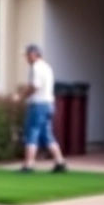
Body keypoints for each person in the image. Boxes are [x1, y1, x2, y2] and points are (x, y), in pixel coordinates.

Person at [16, 43, 67, 173]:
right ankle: (59, 162)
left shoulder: (36, 67)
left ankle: (29, 164)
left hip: (38, 105)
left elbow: (35, 87)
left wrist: (21, 97)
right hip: (49, 104)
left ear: (34, 54)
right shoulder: (47, 67)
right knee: (47, 134)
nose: (26, 58)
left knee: (31, 133)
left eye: (27, 55)